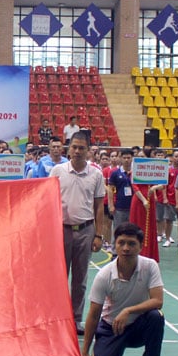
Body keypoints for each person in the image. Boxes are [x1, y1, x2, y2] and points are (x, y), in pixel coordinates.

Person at [81, 222, 167, 356]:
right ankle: (106, 354)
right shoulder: (104, 275)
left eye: (131, 243)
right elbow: (93, 315)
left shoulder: (150, 266)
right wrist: (85, 353)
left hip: (138, 327)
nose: (126, 248)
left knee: (156, 316)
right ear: (115, 245)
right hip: (111, 328)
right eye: (121, 243)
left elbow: (158, 301)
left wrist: (128, 311)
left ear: (141, 246)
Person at [50, 131, 105, 336]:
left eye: (82, 148)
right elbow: (47, 199)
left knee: (80, 279)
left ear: (88, 151)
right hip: (61, 230)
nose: (77, 151)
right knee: (59, 278)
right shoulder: (57, 170)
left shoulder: (96, 174)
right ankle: (58, 318)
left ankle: (75, 319)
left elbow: (99, 206)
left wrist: (98, 235)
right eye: (74, 147)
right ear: (68, 148)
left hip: (85, 230)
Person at [129, 180, 162, 262]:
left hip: (150, 200)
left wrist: (155, 187)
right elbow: (135, 187)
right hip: (139, 201)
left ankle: (149, 254)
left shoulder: (153, 171)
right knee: (138, 226)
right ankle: (136, 252)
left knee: (150, 227)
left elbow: (162, 185)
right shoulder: (136, 170)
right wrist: (143, 200)